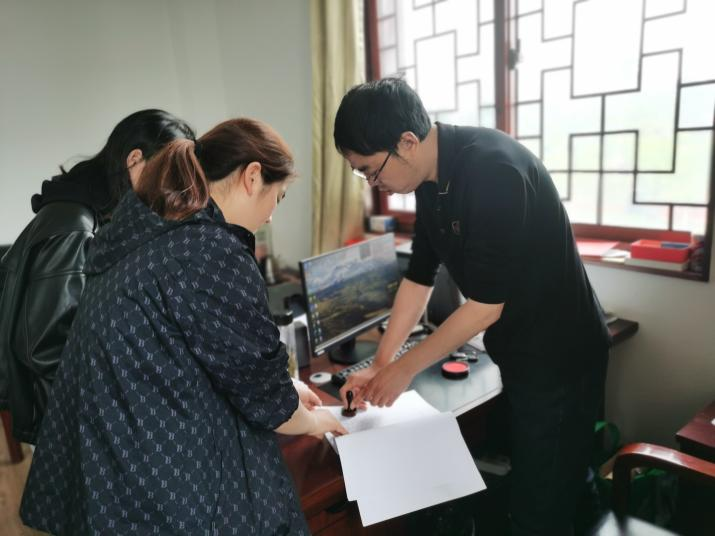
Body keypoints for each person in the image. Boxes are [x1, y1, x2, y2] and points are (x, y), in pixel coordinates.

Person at [20, 118, 346, 535]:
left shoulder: (148, 233)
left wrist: (288, 389)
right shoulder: (211, 252)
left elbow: (207, 353)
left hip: (112, 453)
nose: (269, 216)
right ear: (252, 177)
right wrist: (314, 422)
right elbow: (269, 404)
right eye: (277, 197)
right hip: (158, 469)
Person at [334, 78, 611, 535]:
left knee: (540, 505)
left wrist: (402, 371)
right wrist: (381, 363)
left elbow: (484, 307)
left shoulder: (492, 171)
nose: (374, 184)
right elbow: (419, 277)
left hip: (561, 357)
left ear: (407, 143)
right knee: (558, 477)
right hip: (521, 352)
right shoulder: (428, 180)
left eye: (371, 170)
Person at [0, 109, 195, 444]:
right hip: (67, 417)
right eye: (170, 176)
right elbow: (45, 346)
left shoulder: (97, 214)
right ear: (135, 160)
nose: (170, 192)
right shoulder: (73, 224)